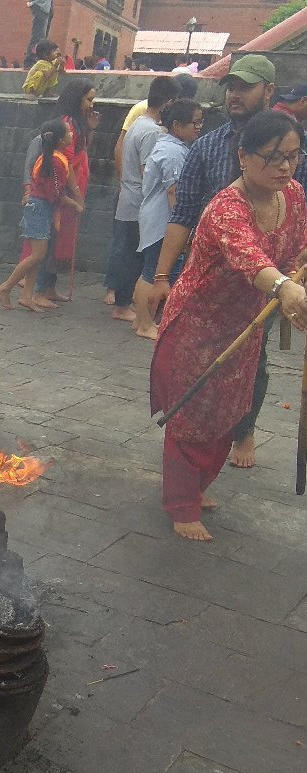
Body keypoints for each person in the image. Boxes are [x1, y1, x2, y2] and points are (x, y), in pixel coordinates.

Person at [150, 111, 307, 542]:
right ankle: (180, 503)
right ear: (243, 156)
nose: (285, 167)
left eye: (293, 156)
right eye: (273, 157)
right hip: (199, 325)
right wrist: (282, 287)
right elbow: (251, 259)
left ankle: (196, 487)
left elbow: (295, 254)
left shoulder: (292, 196)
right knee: (193, 409)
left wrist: (295, 284)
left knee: (229, 411)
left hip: (247, 324)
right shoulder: (226, 208)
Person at [107, 76, 179, 324]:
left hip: (129, 199)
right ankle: (123, 305)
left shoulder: (139, 123)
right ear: (169, 101)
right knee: (136, 261)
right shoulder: (150, 131)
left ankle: (123, 302)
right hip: (137, 202)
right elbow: (147, 171)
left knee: (129, 255)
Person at [133, 98, 203, 340]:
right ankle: (143, 323)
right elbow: (174, 191)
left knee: (153, 270)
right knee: (152, 271)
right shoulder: (172, 151)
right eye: (194, 122)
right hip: (161, 220)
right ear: (176, 124)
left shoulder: (173, 147)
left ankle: (145, 320)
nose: (198, 128)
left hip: (159, 219)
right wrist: (181, 225)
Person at [0, 119, 82, 311]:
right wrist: (74, 203)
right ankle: (6, 286)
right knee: (37, 255)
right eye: (68, 133)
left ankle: (27, 295)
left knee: (38, 255)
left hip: (40, 208)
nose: (71, 135)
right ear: (60, 139)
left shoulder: (51, 158)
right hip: (40, 209)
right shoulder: (56, 161)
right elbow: (56, 193)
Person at [34, 79, 96, 308]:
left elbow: (81, 150)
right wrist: (77, 194)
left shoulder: (77, 122)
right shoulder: (67, 123)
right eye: (88, 99)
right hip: (63, 193)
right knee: (52, 240)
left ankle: (48, 287)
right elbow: (67, 163)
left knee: (60, 240)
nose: (91, 104)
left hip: (69, 191)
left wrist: (90, 127)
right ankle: (39, 289)